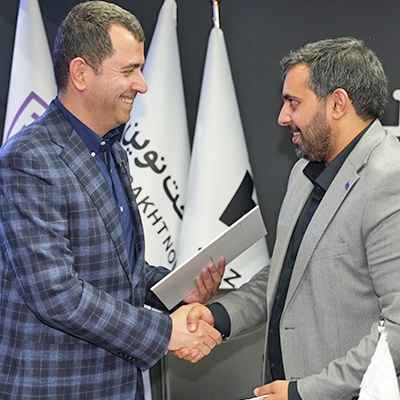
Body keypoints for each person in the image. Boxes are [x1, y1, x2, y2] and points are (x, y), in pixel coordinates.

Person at [0, 2, 224, 399]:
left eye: (141, 68)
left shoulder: (111, 149)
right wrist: (165, 332)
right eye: (128, 70)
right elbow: (57, 294)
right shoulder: (28, 159)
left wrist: (175, 290)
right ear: (81, 73)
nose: (142, 84)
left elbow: (119, 270)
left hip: (120, 385)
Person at [180, 37, 400, 399]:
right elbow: (287, 273)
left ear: (338, 103)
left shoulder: (389, 180)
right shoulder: (303, 173)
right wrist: (219, 317)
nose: (283, 117)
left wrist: (304, 392)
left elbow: (397, 328)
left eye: (293, 103)